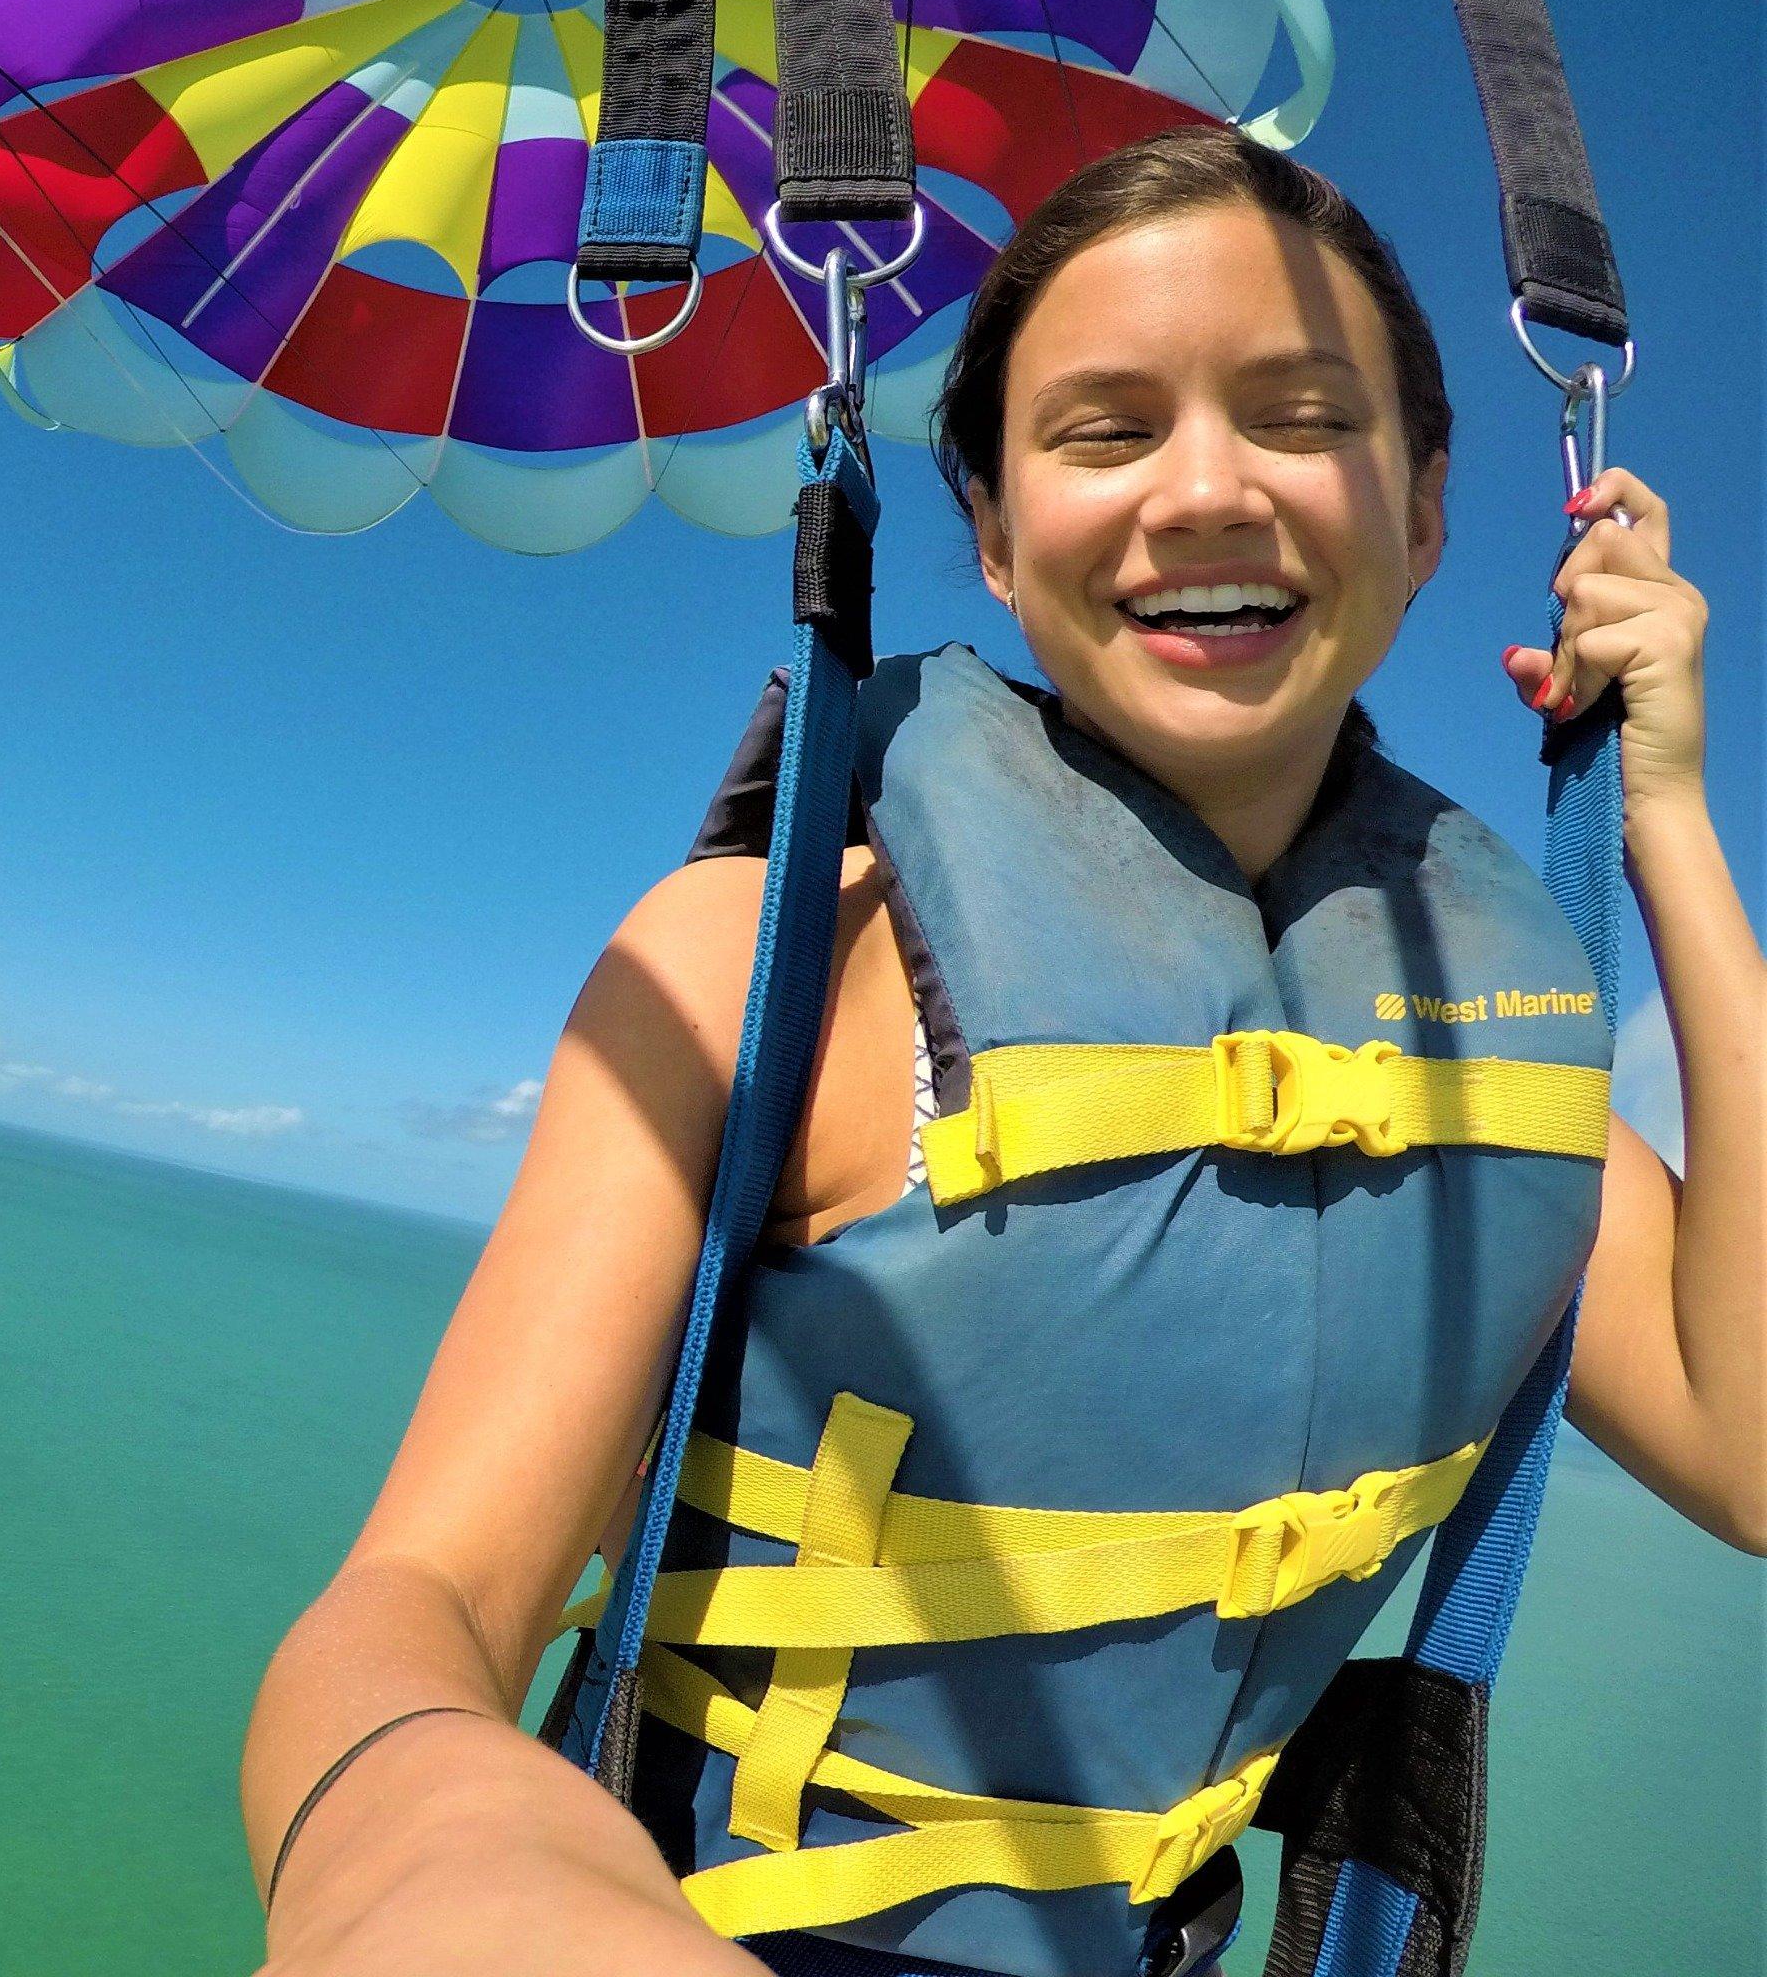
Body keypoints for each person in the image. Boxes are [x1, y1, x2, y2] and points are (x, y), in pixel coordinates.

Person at [240, 131, 1760, 1977]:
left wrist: (1665, 816)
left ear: (1429, 510)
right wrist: (438, 1869)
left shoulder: (1492, 1069)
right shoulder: (777, 965)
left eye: (1297, 418)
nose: (1205, 492)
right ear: (988, 528)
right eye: (1103, 434)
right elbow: (416, 1606)